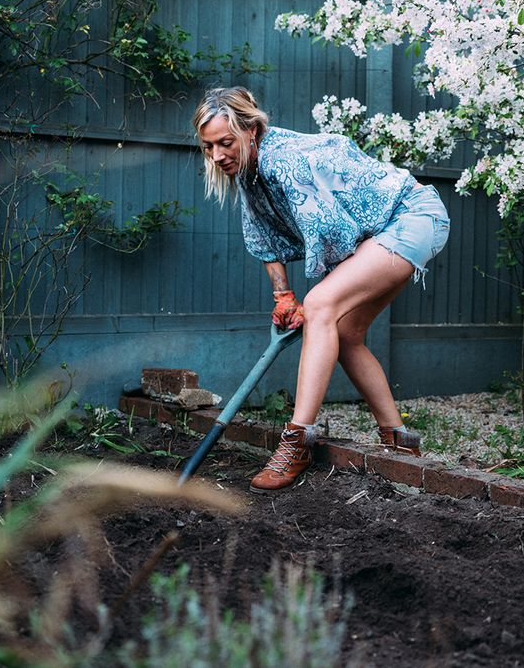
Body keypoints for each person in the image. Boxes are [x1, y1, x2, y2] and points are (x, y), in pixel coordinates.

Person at [192, 86, 450, 494]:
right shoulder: (247, 170)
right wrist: (283, 297)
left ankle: (297, 441)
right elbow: (260, 235)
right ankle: (399, 441)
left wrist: (310, 305)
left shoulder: (287, 162)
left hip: (413, 216)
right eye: (208, 148)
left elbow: (332, 233)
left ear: (252, 130)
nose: (217, 156)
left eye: (225, 143)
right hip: (382, 228)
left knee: (323, 304)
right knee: (344, 334)